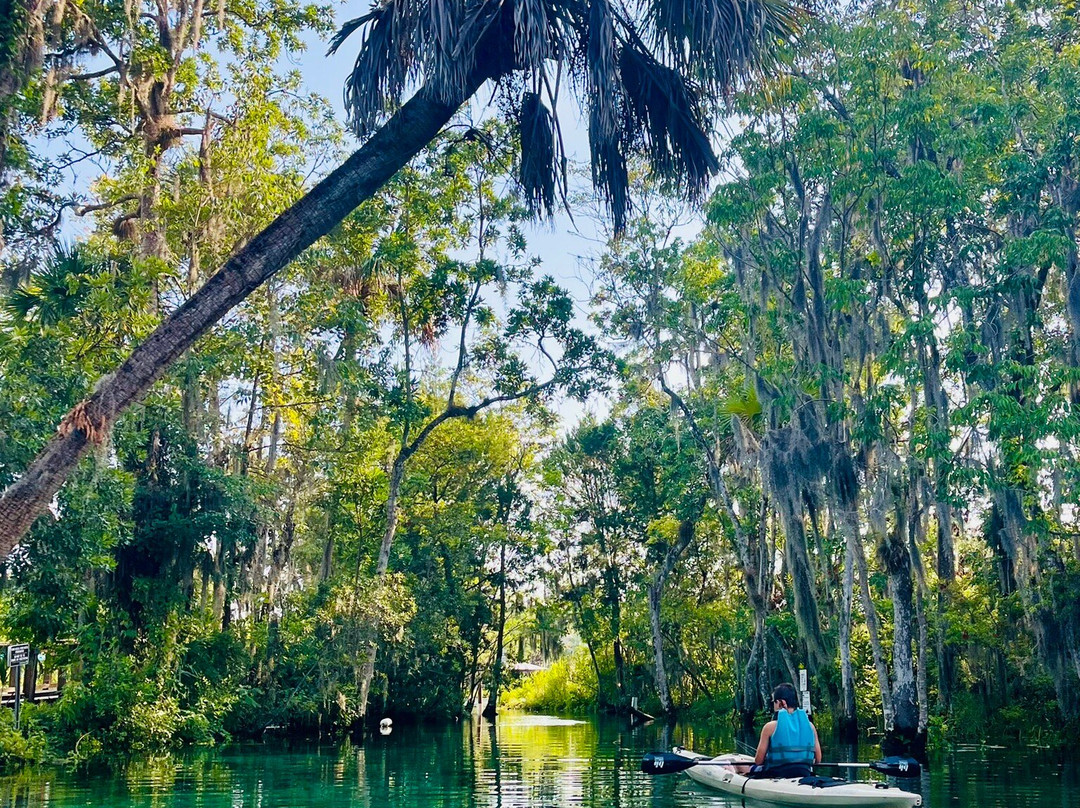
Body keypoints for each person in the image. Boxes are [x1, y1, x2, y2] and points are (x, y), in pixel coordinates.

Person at [752, 682, 822, 778]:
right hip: (804, 773)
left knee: (743, 768)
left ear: (782, 702)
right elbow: (818, 760)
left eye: (774, 702)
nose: (773, 705)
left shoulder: (769, 727)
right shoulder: (811, 726)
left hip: (776, 774)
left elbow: (758, 761)